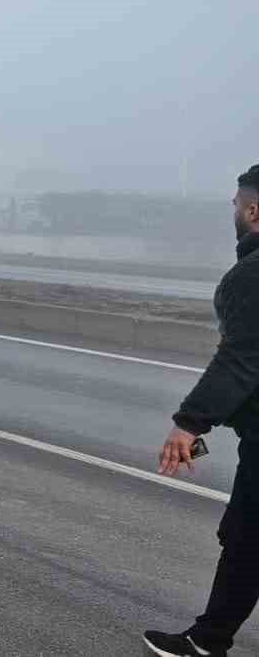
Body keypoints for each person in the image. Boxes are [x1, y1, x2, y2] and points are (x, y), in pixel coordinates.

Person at [147, 165, 259, 657]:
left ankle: (207, 641)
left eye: (236, 204)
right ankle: (209, 637)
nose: (233, 212)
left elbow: (242, 358)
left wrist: (189, 424)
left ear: (254, 210)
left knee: (248, 537)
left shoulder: (252, 276)